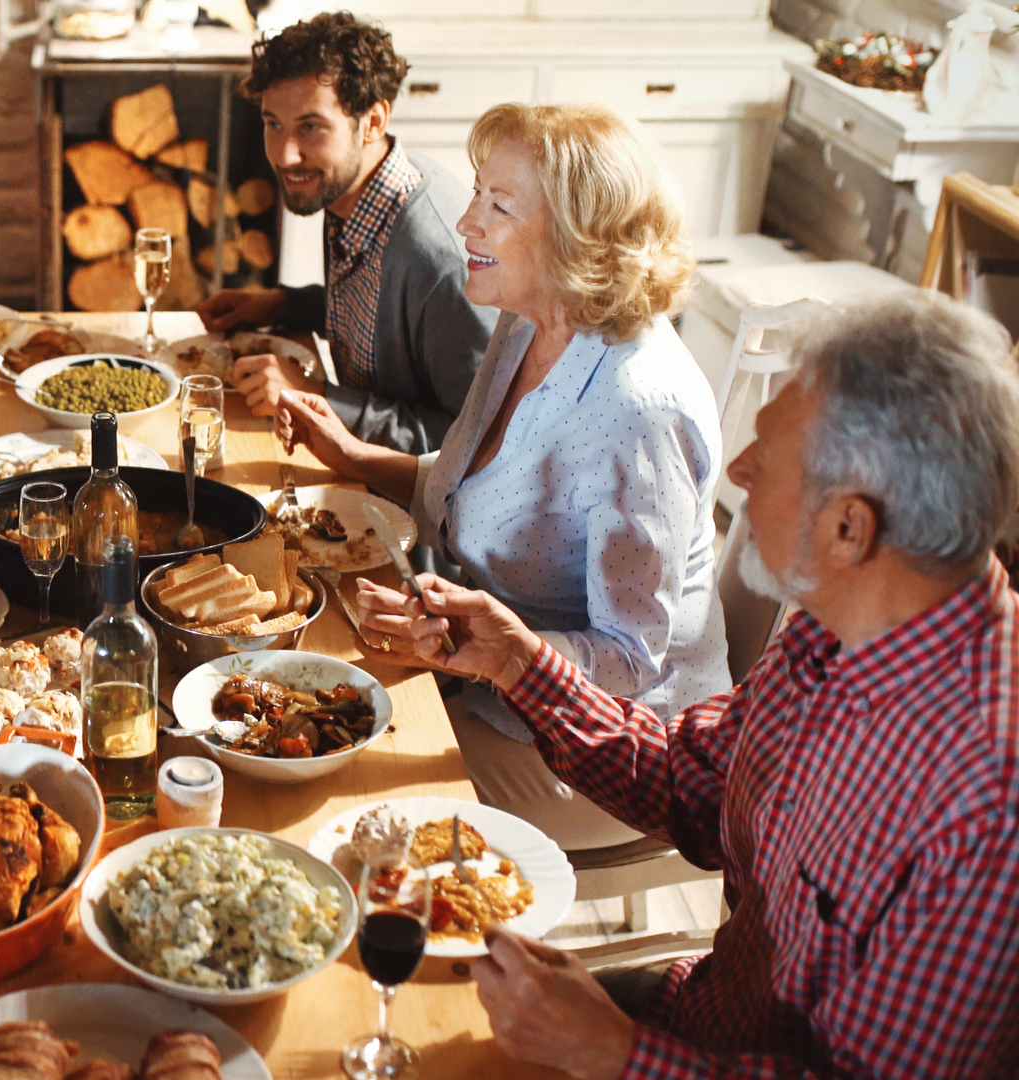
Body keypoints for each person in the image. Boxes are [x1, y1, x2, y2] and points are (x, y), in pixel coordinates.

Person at [383, 292, 1019, 1079]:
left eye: (769, 459)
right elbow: (692, 781)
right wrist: (521, 663)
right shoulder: (841, 627)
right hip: (696, 1017)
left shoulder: (985, 803)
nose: (738, 471)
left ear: (850, 527)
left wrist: (616, 1054)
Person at [281, 103, 729, 850]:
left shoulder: (636, 409)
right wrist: (354, 459)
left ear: (579, 233)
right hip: (492, 680)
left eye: (498, 204)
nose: (465, 222)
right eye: (476, 194)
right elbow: (478, 487)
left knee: (335, 781)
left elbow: (628, 658)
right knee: (300, 698)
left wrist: (483, 650)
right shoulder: (528, 323)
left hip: (608, 751)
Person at [195, 12, 493, 455]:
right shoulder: (348, 188)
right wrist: (286, 303)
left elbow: (476, 441)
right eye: (272, 123)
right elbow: (376, 317)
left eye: (310, 127)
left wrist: (318, 396)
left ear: (372, 121)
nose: (285, 154)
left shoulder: (440, 261)